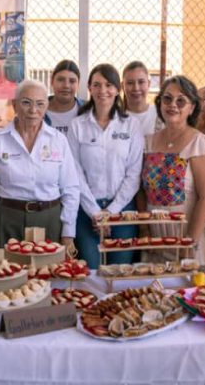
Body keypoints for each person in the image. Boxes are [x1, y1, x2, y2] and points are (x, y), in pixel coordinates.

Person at [0, 80, 80, 250]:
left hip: (50, 220)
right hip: (9, 220)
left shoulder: (58, 140)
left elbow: (71, 189)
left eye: (40, 104)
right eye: (26, 103)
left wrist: (68, 233)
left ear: (46, 106)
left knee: (50, 274)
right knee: (9, 273)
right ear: (15, 105)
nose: (33, 110)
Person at [68, 64, 143, 268]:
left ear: (117, 89)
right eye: (97, 85)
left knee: (121, 273)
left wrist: (111, 212)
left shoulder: (131, 125)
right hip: (86, 213)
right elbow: (75, 173)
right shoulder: (77, 125)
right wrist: (95, 213)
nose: (103, 91)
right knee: (91, 273)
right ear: (89, 88)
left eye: (109, 85)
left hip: (123, 211)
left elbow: (134, 173)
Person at [139, 75, 205, 264]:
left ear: (192, 108)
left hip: (187, 240)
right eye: (167, 98)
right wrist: (144, 229)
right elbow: (140, 189)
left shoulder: (199, 143)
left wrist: (189, 242)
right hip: (154, 241)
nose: (173, 105)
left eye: (181, 101)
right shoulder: (148, 142)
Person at [122, 61, 163, 136]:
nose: (136, 88)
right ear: (122, 86)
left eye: (141, 82)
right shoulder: (115, 117)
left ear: (149, 84)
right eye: (130, 83)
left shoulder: (160, 114)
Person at [45, 60, 83, 135]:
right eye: (61, 80)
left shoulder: (88, 111)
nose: (66, 85)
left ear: (78, 84)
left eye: (72, 81)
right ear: (52, 81)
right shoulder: (37, 110)